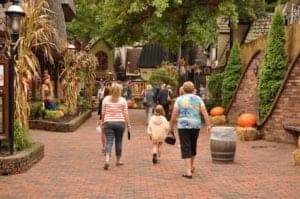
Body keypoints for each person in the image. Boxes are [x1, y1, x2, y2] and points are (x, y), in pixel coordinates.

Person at [169, 81, 211, 179]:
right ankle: (191, 166)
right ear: (193, 89)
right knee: (193, 145)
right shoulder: (198, 99)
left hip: (183, 125)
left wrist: (171, 124)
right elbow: (204, 112)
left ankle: (188, 171)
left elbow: (174, 113)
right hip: (195, 125)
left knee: (185, 146)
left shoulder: (179, 99)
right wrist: (208, 124)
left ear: (183, 89)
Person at [101, 83, 131, 170]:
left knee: (109, 141)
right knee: (119, 141)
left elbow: (103, 113)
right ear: (119, 91)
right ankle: (118, 161)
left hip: (108, 122)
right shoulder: (122, 100)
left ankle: (107, 160)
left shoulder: (105, 99)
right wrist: (128, 124)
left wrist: (103, 122)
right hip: (120, 123)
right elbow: (126, 113)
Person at [97, 87, 110, 154]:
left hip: (103, 118)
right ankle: (108, 147)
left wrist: (99, 120)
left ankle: (104, 147)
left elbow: (99, 111)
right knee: (109, 134)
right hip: (110, 118)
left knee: (103, 133)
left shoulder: (102, 100)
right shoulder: (112, 100)